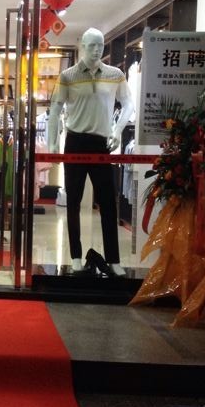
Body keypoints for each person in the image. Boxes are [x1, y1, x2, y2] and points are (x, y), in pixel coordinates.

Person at [47, 27, 134, 276]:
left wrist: (118, 130)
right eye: (92, 45)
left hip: (102, 143)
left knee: (108, 203)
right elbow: (55, 108)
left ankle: (114, 259)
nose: (97, 50)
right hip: (75, 141)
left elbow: (128, 103)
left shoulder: (115, 74)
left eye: (100, 45)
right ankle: (75, 256)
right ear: (82, 46)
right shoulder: (68, 76)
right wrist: (53, 144)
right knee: (73, 201)